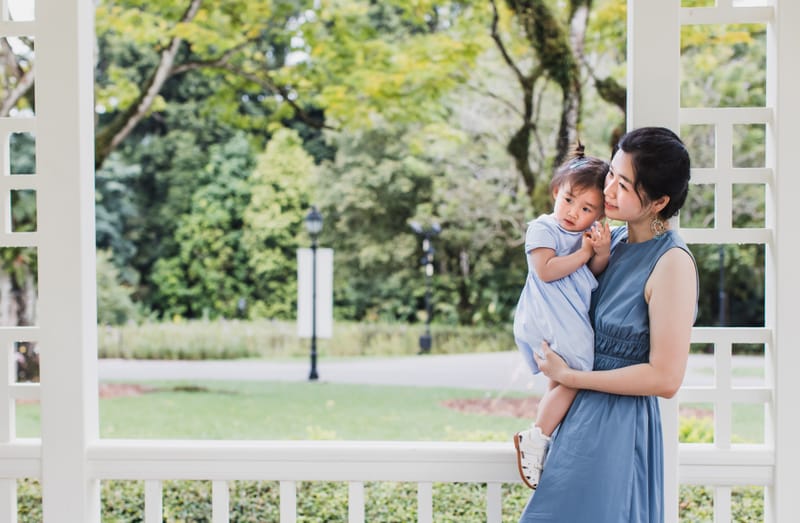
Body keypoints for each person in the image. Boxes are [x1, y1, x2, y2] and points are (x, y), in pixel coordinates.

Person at [518, 126, 698, 523]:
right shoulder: (609, 243)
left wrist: (572, 377)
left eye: (624, 184)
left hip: (617, 428)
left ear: (658, 201)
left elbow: (666, 378)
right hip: (576, 419)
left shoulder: (672, 264)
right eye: (611, 175)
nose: (609, 189)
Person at [511, 147, 611, 490]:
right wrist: (584, 252)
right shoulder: (543, 228)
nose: (573, 212)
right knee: (576, 373)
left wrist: (600, 253)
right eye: (569, 200)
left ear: (598, 215)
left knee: (562, 380)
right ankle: (536, 438)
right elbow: (546, 270)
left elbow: (591, 275)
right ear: (556, 192)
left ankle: (544, 435)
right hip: (547, 316)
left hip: (566, 318)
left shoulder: (585, 236)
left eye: (586, 209)